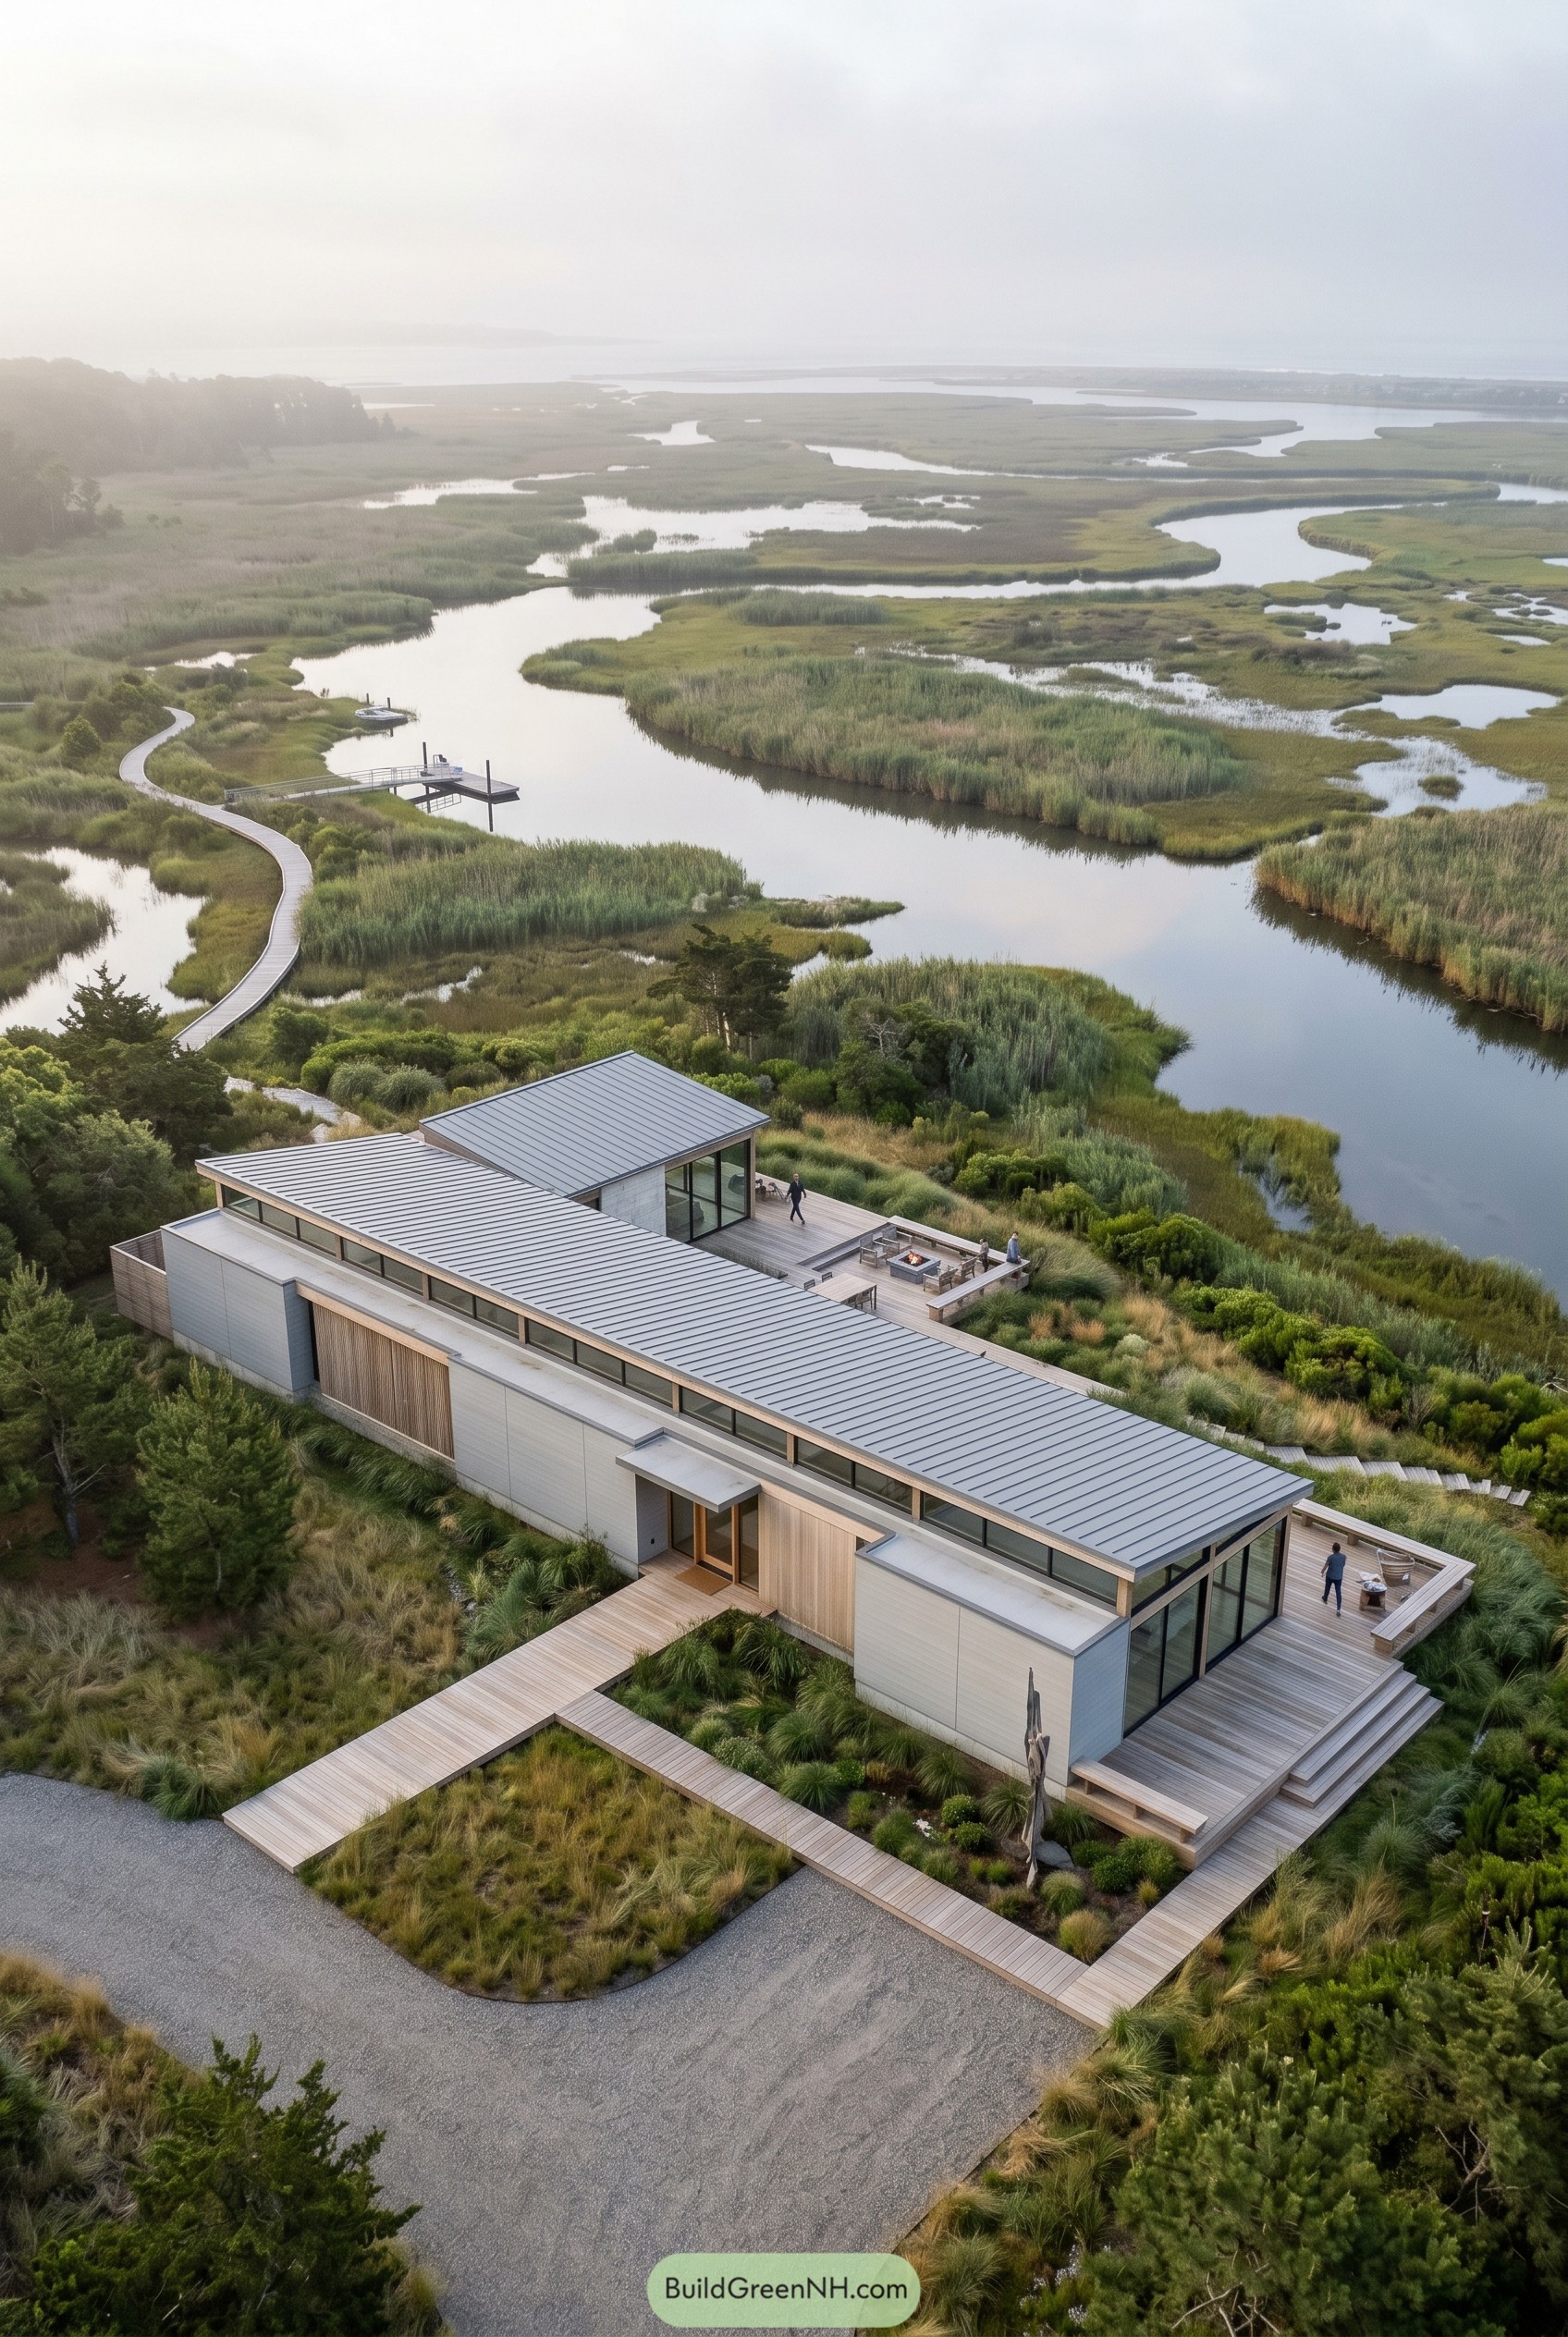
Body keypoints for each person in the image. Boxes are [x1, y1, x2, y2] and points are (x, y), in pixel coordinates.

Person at [1320, 1539, 1346, 1615]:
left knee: (1327, 1587)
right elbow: (1343, 1565)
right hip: (1339, 1577)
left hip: (1330, 1576)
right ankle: (1338, 1609)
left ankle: (1325, 1598)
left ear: (1333, 1549)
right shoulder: (1343, 1557)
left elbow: (1326, 1566)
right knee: (1338, 1592)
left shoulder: (1330, 1557)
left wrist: (1322, 1572)